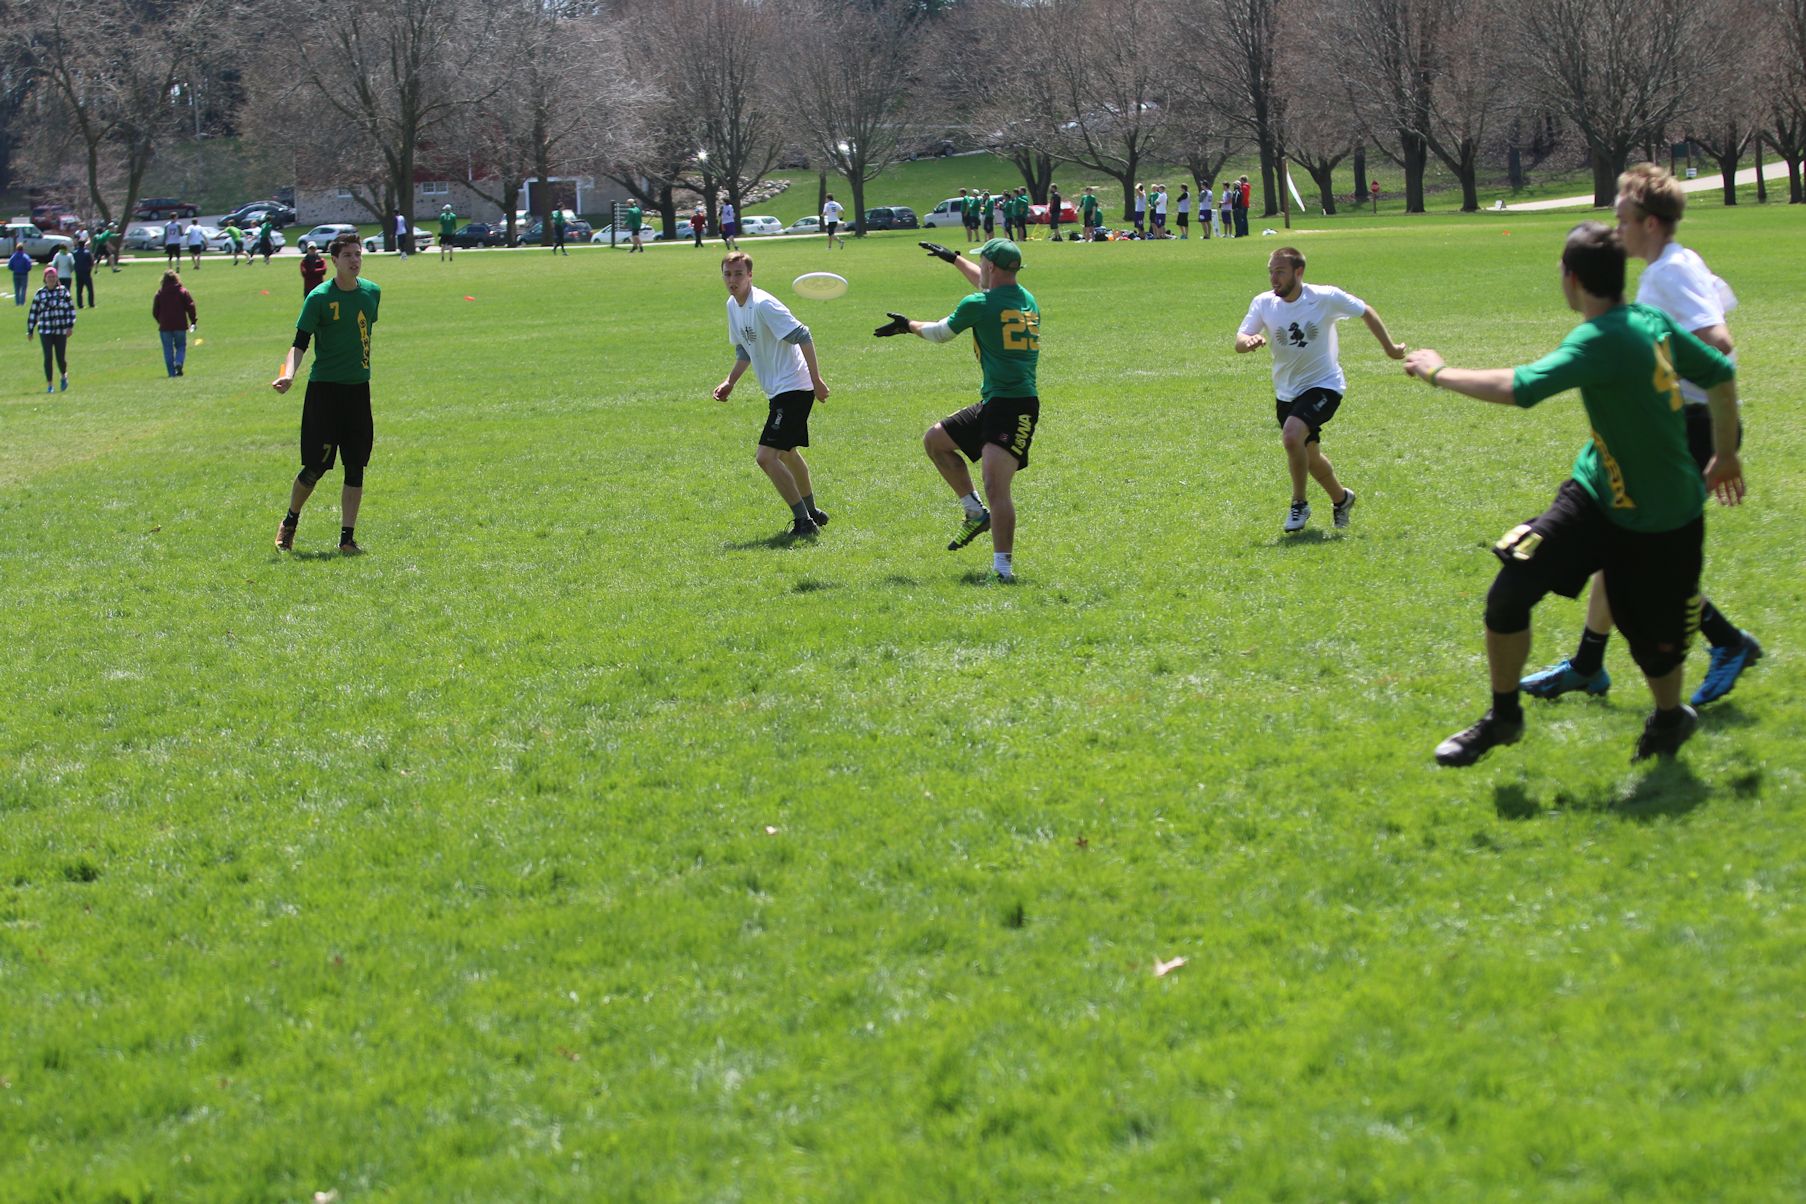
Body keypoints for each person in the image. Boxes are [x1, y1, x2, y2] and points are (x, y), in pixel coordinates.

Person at [1402, 221, 1742, 766]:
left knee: (1656, 647)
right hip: (1597, 493)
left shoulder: (1602, 338)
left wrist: (1437, 371)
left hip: (1661, 517)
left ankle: (1670, 718)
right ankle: (1503, 716)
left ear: (1573, 279)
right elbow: (1722, 373)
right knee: (1510, 591)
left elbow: (1520, 387)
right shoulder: (1646, 320)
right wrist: (1724, 454)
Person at [1521, 164, 1762, 707]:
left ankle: (1727, 643)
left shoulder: (1667, 273)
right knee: (1622, 540)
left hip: (1691, 427)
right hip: (1681, 424)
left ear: (1650, 223)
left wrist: (1657, 382)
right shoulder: (1678, 262)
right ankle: (1587, 665)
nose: (1616, 228)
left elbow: (1718, 343)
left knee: (1645, 553)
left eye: (1623, 218)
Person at [878, 239, 1041, 584]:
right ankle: (974, 512)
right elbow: (987, 286)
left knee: (996, 487)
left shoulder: (979, 304)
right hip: (995, 401)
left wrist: (908, 325)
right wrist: (953, 259)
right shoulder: (1025, 297)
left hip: (1015, 407)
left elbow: (939, 333)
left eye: (982, 263)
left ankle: (1003, 571)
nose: (979, 268)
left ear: (991, 267)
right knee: (936, 441)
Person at [1235, 245, 1405, 532]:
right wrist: (1247, 342)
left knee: (1292, 437)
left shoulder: (1324, 297)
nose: (1274, 279)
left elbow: (1365, 311)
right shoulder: (1263, 303)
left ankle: (1299, 503)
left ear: (1298, 272)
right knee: (1309, 456)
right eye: (1271, 272)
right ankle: (1342, 499)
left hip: (1324, 385)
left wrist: (1389, 348)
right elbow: (1240, 339)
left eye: (1280, 272)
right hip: (1286, 391)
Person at [271, 233, 381, 556]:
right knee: (314, 468)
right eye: (347, 255)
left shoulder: (372, 293)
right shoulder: (318, 298)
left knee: (355, 466)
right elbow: (299, 343)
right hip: (325, 392)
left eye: (357, 254)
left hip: (358, 391)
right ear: (334, 261)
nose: (354, 260)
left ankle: (347, 539)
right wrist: (288, 374)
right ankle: (290, 521)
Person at [711, 251, 832, 539]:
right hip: (779, 390)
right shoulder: (733, 305)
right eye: (727, 274)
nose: (732, 280)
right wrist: (730, 381)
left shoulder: (764, 305)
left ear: (750, 275)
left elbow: (803, 335)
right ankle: (812, 512)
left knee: (766, 457)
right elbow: (744, 349)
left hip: (794, 387)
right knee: (787, 453)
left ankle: (804, 522)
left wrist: (816, 380)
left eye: (739, 274)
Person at [26, 266, 76, 392]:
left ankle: (63, 375)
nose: (51, 279)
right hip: (45, 330)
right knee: (48, 357)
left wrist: (70, 326)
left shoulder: (63, 292)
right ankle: (50, 385)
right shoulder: (40, 293)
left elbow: (71, 310)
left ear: (57, 278)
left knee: (60, 357)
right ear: (45, 279)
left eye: (53, 277)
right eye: (49, 277)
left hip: (60, 330)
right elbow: (33, 312)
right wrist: (30, 330)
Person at [152, 269, 197, 377]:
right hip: (180, 325)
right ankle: (178, 362)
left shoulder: (160, 293)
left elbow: (155, 311)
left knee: (167, 349)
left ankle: (171, 374)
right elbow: (190, 307)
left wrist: (160, 321)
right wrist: (193, 321)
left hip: (165, 326)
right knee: (181, 346)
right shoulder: (183, 291)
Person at [72, 239, 95, 308]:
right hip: (86, 273)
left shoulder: (74, 253)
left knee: (79, 290)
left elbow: (73, 263)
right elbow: (91, 263)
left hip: (78, 273)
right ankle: (91, 304)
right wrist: (89, 269)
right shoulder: (87, 253)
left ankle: (80, 304)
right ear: (84, 244)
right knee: (90, 289)